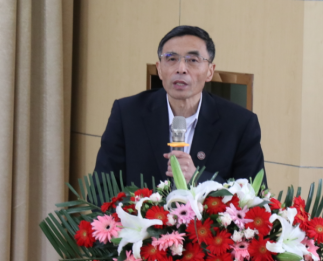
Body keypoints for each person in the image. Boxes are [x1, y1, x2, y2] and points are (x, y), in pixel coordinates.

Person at [94, 25, 266, 187]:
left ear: (210, 71)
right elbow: (101, 190)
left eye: (193, 60)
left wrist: (198, 178)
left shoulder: (240, 124)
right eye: (171, 59)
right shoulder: (127, 114)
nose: (181, 69)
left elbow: (252, 196)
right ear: (159, 69)